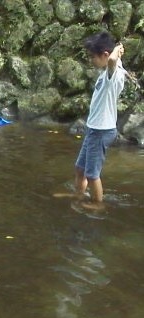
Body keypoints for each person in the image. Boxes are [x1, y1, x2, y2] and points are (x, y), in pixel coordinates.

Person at [60, 32, 126, 210]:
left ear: (105, 55)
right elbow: (110, 59)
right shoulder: (107, 72)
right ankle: (79, 194)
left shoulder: (114, 74)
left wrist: (117, 49)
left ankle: (98, 205)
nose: (91, 60)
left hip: (102, 131)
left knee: (92, 174)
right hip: (94, 129)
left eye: (93, 56)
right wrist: (115, 50)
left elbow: (112, 60)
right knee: (80, 168)